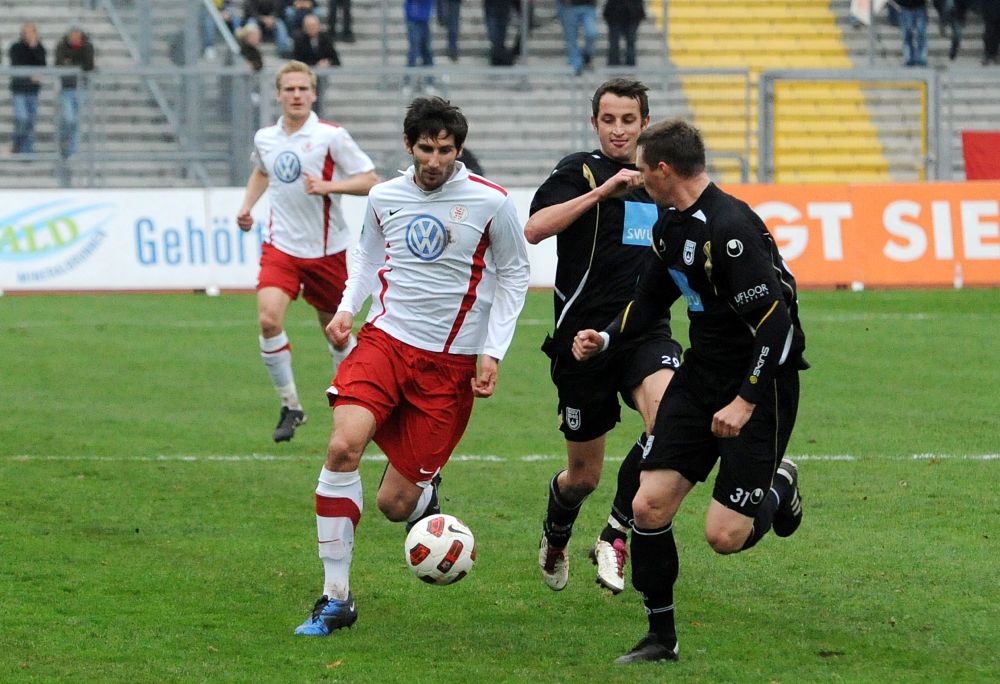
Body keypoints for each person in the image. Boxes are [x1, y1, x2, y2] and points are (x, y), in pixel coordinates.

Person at [572, 118, 807, 663]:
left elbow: (776, 323)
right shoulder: (668, 225)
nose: (633, 176)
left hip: (760, 380)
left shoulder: (729, 231)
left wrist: (746, 399)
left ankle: (781, 486)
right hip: (699, 376)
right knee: (648, 505)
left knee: (725, 536)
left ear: (663, 169)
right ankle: (661, 637)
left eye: (640, 167)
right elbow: (650, 300)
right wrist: (606, 337)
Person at [293, 96, 530, 636]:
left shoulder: (491, 203)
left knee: (395, 506)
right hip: (386, 341)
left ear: (459, 149)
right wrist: (348, 309)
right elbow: (369, 258)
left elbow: (515, 273)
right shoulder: (384, 196)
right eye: (425, 148)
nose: (435, 159)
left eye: (445, 150)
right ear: (409, 146)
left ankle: (424, 489)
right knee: (341, 446)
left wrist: (493, 349)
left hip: (450, 365)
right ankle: (335, 598)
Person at [526, 78, 682, 596]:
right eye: (609, 120)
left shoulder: (662, 180)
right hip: (581, 343)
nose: (618, 130)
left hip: (642, 334)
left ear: (644, 124)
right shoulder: (579, 170)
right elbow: (535, 229)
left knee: (669, 419)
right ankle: (556, 532)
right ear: (595, 123)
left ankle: (614, 534)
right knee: (583, 477)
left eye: (628, 120)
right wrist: (601, 192)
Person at [235, 61, 379, 443]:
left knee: (337, 335)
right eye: (289, 89)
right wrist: (247, 206)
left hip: (327, 251)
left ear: (313, 94)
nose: (296, 95)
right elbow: (263, 171)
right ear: (279, 94)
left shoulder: (331, 136)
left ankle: (353, 404)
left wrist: (329, 187)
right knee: (268, 320)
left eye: (303, 89)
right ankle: (291, 405)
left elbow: (370, 181)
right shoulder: (266, 137)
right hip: (281, 247)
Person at [54, 25, 95, 158]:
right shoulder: (62, 46)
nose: (75, 38)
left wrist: (70, 62)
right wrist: (76, 63)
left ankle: (72, 150)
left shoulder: (87, 46)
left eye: (78, 36)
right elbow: (59, 63)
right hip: (66, 87)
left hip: (81, 87)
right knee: (69, 118)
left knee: (76, 120)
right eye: (73, 35)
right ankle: (64, 138)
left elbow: (89, 65)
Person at [291, 13, 340, 115]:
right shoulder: (299, 40)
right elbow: (297, 61)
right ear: (305, 28)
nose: (312, 29)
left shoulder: (325, 38)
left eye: (314, 26)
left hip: (321, 79)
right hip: (305, 78)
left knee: (319, 98)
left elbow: (336, 60)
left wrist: (328, 62)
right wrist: (315, 65)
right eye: (309, 26)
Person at [9, 22, 47, 154]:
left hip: (33, 90)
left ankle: (26, 149)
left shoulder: (40, 48)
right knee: (22, 118)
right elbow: (17, 65)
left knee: (31, 121)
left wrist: (33, 48)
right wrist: (31, 75)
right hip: (19, 89)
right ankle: (17, 142)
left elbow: (42, 65)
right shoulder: (16, 47)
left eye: (31, 32)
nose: (28, 35)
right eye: (26, 32)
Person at [559, 0, 599, 75]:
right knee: (571, 39)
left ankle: (586, 55)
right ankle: (576, 65)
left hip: (588, 7)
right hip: (570, 8)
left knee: (592, 33)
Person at [603, 0, 644, 66]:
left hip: (633, 13)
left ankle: (630, 64)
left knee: (630, 42)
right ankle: (614, 64)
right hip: (614, 12)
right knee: (614, 42)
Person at [404, 0, 435, 89]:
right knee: (413, 50)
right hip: (413, 17)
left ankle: (429, 81)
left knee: (427, 50)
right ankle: (409, 81)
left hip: (425, 18)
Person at [897, 0, 929, 66]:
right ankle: (909, 58)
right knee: (907, 34)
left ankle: (921, 58)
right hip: (905, 7)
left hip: (920, 6)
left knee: (921, 33)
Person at [982, 0, 1000, 65]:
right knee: (989, 33)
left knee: (997, 34)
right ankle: (987, 54)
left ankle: (994, 54)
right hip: (988, 10)